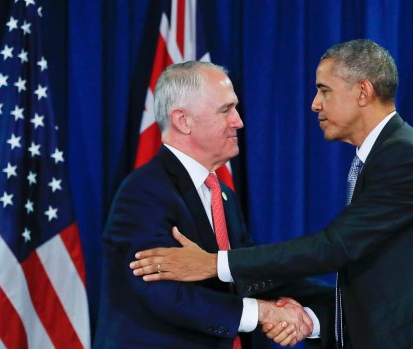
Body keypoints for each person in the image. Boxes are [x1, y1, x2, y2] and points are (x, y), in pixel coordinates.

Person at [130, 40, 413, 348]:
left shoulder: (406, 156)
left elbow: (335, 246)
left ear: (362, 91)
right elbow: (374, 278)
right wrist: (310, 321)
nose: (314, 104)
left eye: (324, 90)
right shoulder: (380, 158)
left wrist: (215, 263)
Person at [94, 61, 333, 348]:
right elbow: (161, 294)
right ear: (183, 120)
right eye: (225, 110)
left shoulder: (222, 196)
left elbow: (245, 273)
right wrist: (262, 312)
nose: (238, 121)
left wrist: (330, 303)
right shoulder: (143, 193)